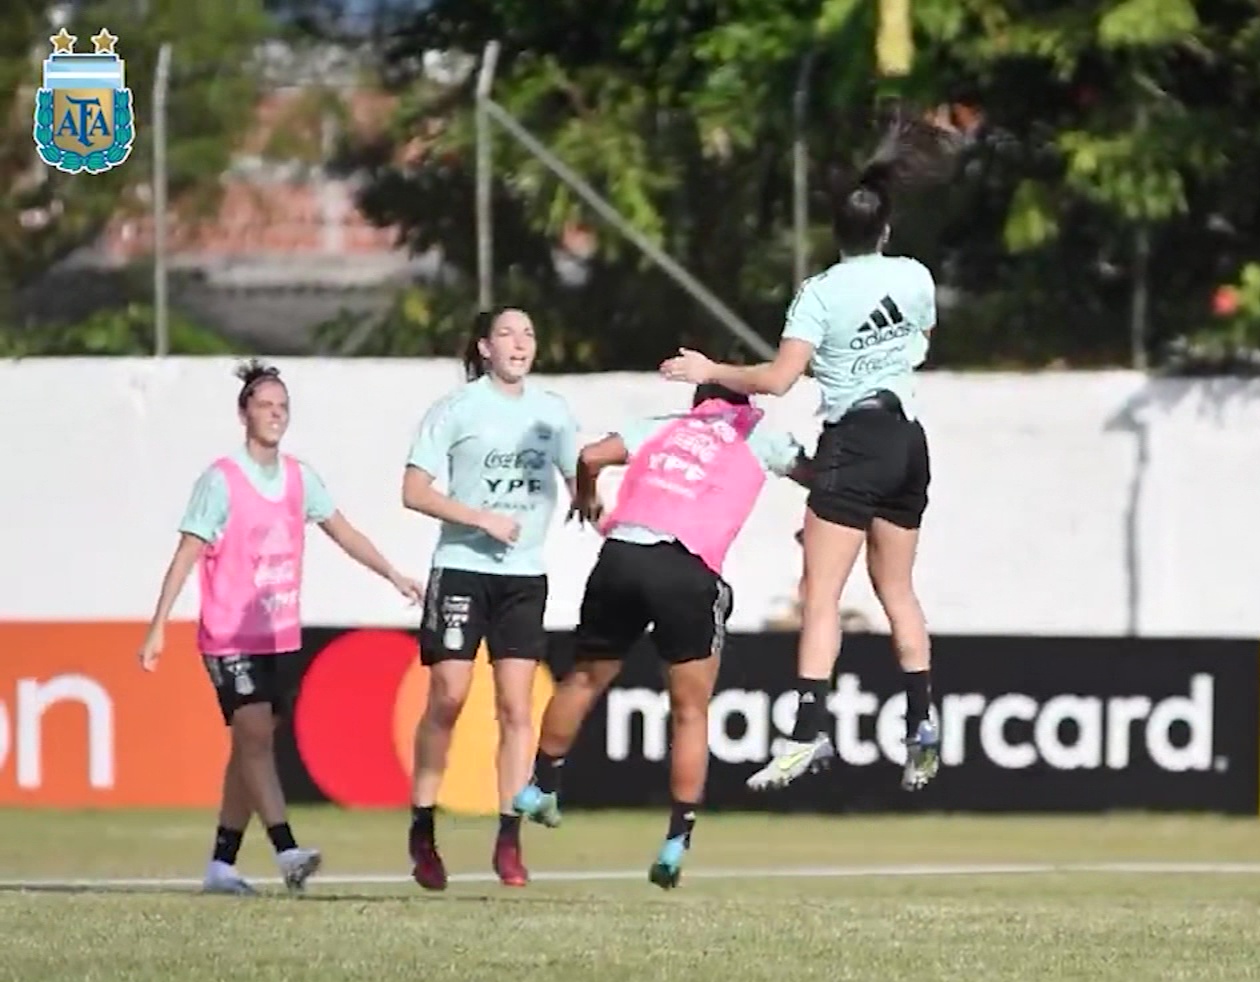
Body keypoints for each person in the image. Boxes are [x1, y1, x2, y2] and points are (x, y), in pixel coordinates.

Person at [658, 105, 964, 794]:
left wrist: (709, 370)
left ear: (838, 232)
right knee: (898, 593)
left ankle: (806, 732)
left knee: (819, 594)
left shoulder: (820, 294)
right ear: (884, 227)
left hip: (854, 435)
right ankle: (923, 726)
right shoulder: (914, 275)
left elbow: (776, 379)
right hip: (908, 441)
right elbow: (919, 337)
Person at [512, 379, 811, 889]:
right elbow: (823, 478)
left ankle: (541, 785)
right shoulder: (758, 432)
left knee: (584, 678)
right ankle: (676, 841)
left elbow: (589, 457)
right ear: (747, 402)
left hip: (622, 554)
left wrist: (587, 501)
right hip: (687, 567)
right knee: (690, 712)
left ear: (698, 402)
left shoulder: (667, 425)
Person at [139, 361, 424, 896]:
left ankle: (222, 865)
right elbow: (186, 553)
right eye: (265, 405)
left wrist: (392, 574)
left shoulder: (299, 478)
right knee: (251, 738)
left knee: (249, 749)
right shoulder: (220, 481)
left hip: (278, 635)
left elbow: (343, 531)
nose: (275, 415)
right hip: (229, 635)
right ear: (243, 413)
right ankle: (287, 848)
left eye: (282, 407)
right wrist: (157, 626)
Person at [400, 307, 579, 890]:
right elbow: (414, 491)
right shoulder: (456, 410)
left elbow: (582, 477)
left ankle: (509, 839)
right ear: (484, 347)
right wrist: (478, 518)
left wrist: (593, 499)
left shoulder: (552, 413)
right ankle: (422, 826)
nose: (520, 342)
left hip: (523, 578)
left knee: (517, 708)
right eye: (507, 333)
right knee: (449, 696)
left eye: (529, 332)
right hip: (461, 569)